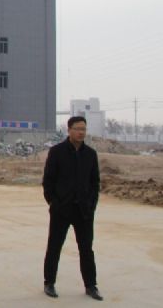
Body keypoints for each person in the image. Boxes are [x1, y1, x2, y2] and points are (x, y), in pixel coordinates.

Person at [42, 116, 103, 301]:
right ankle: (49, 282)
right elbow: (48, 180)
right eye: (77, 129)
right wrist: (54, 202)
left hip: (83, 210)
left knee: (86, 249)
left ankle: (91, 285)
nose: (81, 132)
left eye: (83, 129)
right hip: (61, 209)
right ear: (69, 130)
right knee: (54, 247)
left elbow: (95, 183)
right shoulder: (57, 152)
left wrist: (91, 204)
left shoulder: (90, 154)